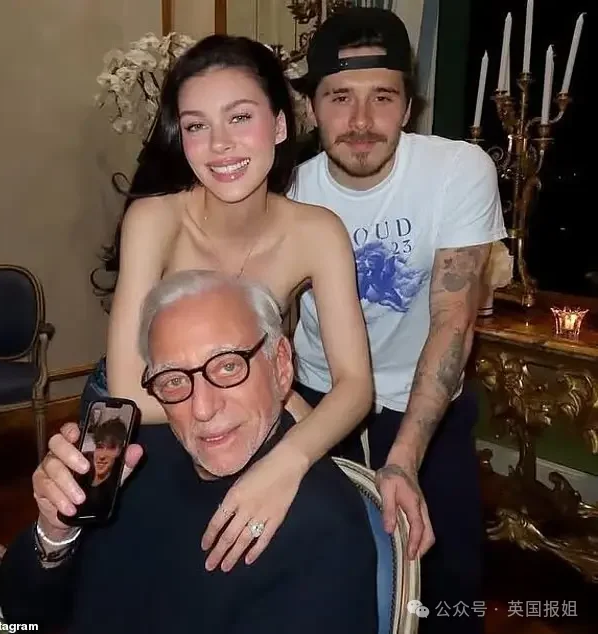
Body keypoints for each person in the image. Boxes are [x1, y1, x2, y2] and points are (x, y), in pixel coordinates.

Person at [83, 33, 373, 572]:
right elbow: (129, 392)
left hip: (239, 407)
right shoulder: (155, 220)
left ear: (280, 125)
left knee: (319, 530)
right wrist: (282, 403)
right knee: (119, 567)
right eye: (196, 126)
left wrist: (289, 458)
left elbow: (356, 384)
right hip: (136, 412)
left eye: (240, 117)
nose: (220, 145)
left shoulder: (317, 232)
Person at [0, 271, 378, 634]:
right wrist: (55, 534)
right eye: (174, 379)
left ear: (280, 365)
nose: (203, 408)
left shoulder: (322, 526)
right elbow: (24, 615)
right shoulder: (130, 457)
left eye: (228, 366)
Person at [288, 7, 507, 633]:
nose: (361, 122)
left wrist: (404, 456)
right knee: (327, 576)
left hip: (425, 403)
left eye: (382, 97)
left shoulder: (458, 170)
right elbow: (271, 319)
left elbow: (453, 320)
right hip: (317, 397)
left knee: (448, 585)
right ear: (312, 108)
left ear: (408, 106)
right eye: (340, 98)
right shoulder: (288, 187)